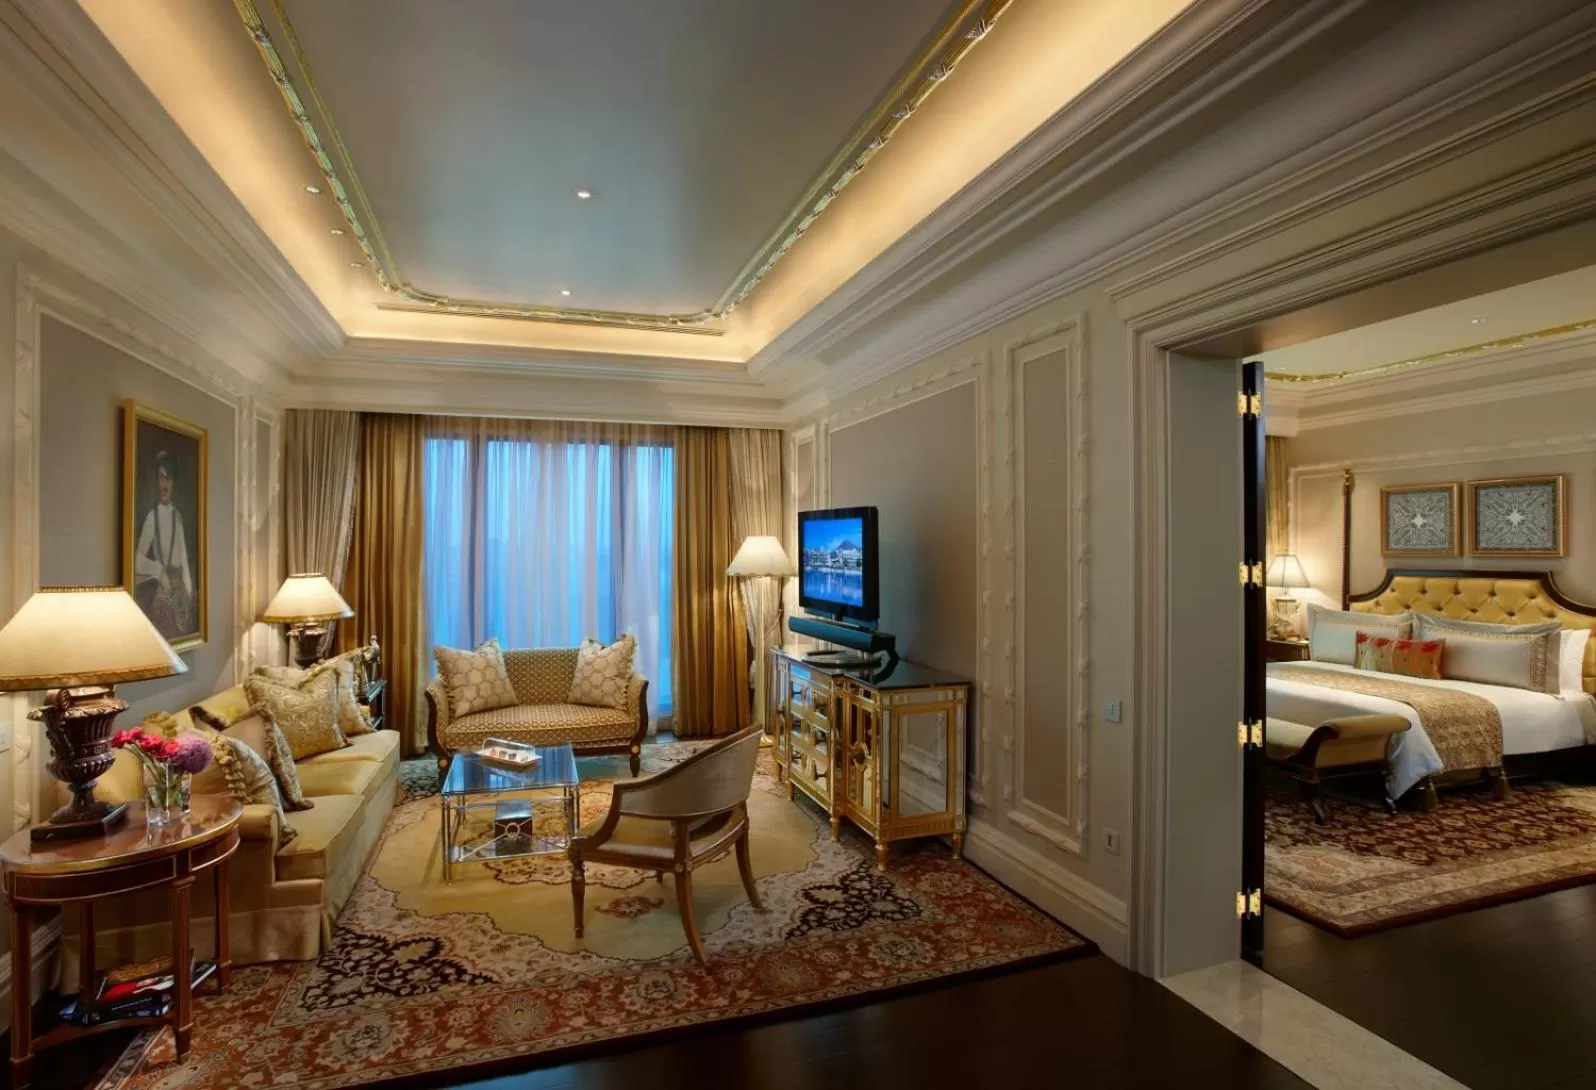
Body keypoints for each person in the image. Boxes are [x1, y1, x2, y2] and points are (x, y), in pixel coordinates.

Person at [133, 451, 194, 639]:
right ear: (157, 482)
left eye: (168, 479)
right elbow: (137, 560)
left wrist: (189, 591)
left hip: (179, 590)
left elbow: (183, 558)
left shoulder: (177, 516)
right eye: (161, 479)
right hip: (164, 586)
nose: (164, 485)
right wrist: (158, 572)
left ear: (173, 483)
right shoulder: (152, 517)